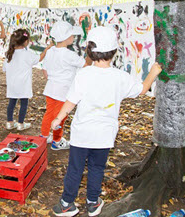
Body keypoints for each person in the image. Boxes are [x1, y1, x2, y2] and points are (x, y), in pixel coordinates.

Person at [50, 26, 162, 217]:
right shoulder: (120, 77)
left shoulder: (83, 74)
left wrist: (58, 118)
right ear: (114, 52)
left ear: (89, 51)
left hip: (81, 135)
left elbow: (71, 101)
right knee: (97, 168)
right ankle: (93, 202)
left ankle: (67, 203)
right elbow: (142, 89)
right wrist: (153, 72)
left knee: (75, 169)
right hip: (104, 136)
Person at [41, 21, 88, 150]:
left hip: (50, 89)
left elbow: (45, 72)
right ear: (66, 38)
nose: (73, 38)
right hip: (64, 91)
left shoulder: (50, 52)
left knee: (49, 113)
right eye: (72, 35)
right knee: (60, 117)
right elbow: (85, 65)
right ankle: (57, 141)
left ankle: (43, 137)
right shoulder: (69, 55)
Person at [3, 28, 50, 131]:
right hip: (23, 85)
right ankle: (20, 123)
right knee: (24, 104)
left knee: (12, 103)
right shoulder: (27, 54)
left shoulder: (9, 54)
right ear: (25, 42)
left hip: (12, 85)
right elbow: (39, 58)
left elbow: (4, 69)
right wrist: (46, 50)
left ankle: (9, 122)